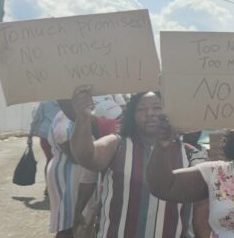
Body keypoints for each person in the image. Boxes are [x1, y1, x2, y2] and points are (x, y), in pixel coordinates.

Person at [68, 87, 196, 238]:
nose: (150, 113)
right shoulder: (117, 144)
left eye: (157, 107)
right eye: (142, 109)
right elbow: (86, 157)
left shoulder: (189, 153)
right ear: (132, 116)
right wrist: (83, 117)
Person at [47, 97, 96, 237]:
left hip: (75, 174)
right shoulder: (64, 118)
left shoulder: (78, 115)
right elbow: (74, 155)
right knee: (68, 222)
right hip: (68, 175)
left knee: (77, 219)